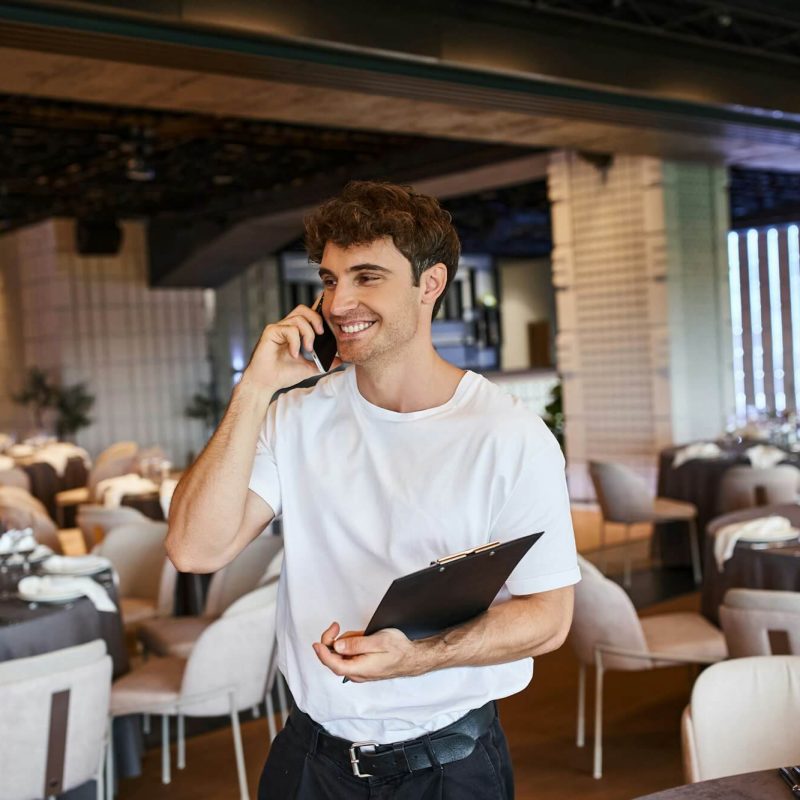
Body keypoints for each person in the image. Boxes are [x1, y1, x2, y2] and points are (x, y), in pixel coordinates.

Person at [167, 181, 580, 799]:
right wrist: (252, 391)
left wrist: (418, 656)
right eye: (330, 279)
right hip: (309, 757)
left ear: (430, 284)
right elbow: (195, 550)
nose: (339, 302)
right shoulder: (295, 414)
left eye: (367, 277)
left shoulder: (509, 435)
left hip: (449, 768)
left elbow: (548, 620)